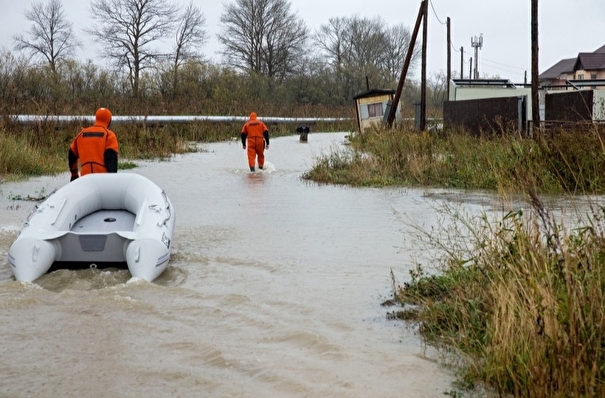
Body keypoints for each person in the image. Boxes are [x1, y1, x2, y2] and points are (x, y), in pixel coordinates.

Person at [68, 107, 119, 181]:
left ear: (96, 119)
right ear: (109, 121)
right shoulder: (109, 135)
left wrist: (74, 174)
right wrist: (112, 180)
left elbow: (72, 155)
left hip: (85, 178)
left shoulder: (81, 134)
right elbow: (111, 159)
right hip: (103, 179)